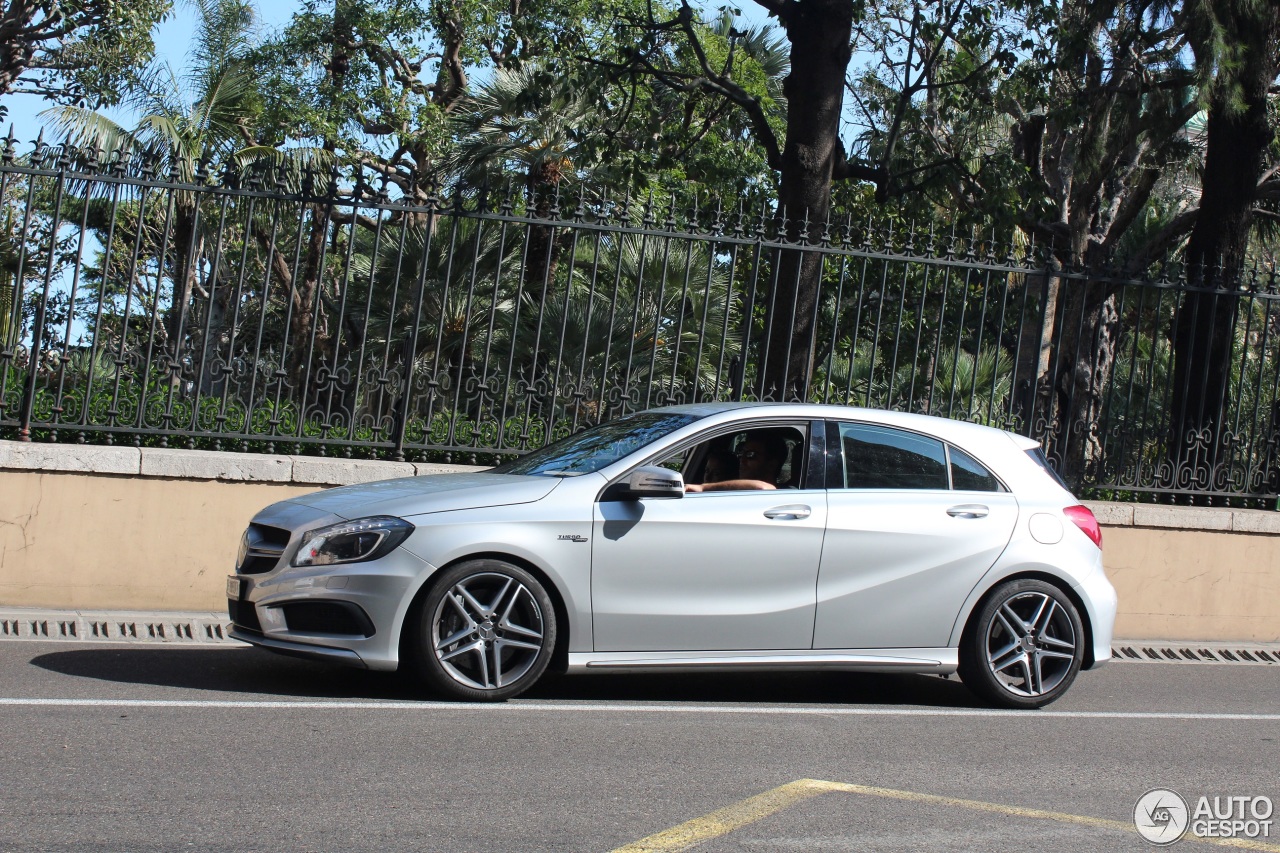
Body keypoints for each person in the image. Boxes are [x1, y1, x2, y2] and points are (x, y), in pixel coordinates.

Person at [686, 431, 791, 492]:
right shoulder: (734, 490)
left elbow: (763, 487)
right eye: (741, 453)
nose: (742, 460)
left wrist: (702, 488)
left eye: (751, 455)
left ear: (772, 464)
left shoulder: (781, 493)